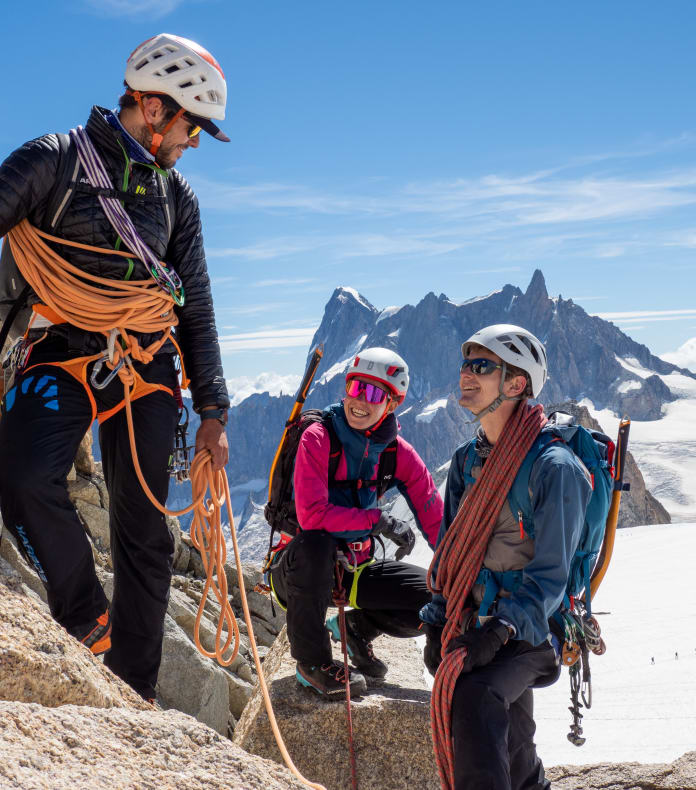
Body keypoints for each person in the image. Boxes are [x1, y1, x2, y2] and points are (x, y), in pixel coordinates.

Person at [0, 34, 230, 700]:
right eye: (193, 126)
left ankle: (135, 690)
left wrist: (213, 410)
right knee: (17, 477)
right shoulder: (53, 160)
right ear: (154, 109)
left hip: (144, 363)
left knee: (143, 530)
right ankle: (84, 617)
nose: (194, 142)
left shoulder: (176, 198)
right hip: (61, 349)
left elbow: (198, 308)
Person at [421, 324, 592, 790]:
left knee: (475, 696)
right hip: (480, 622)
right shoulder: (466, 460)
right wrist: (439, 618)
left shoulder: (554, 469)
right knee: (513, 737)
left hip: (535, 631)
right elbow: (451, 549)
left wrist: (501, 630)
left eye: (482, 367)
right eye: (465, 365)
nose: (465, 376)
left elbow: (551, 576)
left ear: (517, 384)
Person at [270, 347, 443, 697]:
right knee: (317, 542)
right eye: (355, 388)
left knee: (436, 598)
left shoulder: (396, 453)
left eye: (375, 393)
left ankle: (356, 629)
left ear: (392, 403)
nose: (360, 401)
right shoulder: (318, 438)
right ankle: (313, 662)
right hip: (298, 571)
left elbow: (433, 514)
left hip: (353, 571)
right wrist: (376, 520)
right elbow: (312, 516)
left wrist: (463, 573)